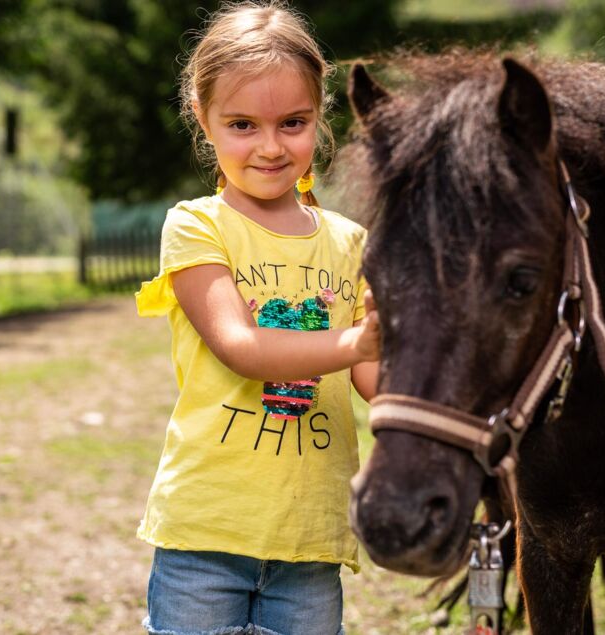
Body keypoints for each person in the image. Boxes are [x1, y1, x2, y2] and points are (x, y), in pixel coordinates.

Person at [134, 3, 380, 634]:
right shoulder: (196, 225)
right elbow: (240, 346)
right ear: (203, 117)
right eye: (243, 124)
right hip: (205, 540)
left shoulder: (352, 243)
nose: (270, 147)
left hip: (310, 544)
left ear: (318, 117)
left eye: (292, 122)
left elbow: (377, 383)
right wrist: (357, 338)